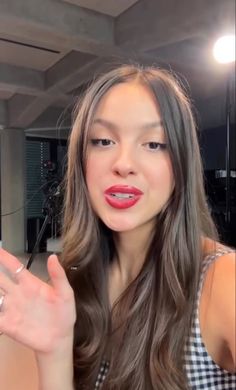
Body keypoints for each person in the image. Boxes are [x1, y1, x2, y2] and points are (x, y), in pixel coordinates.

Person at [0, 64, 235, 390]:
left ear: (181, 164)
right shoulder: (70, 288)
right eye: (103, 141)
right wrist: (53, 352)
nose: (123, 164)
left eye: (154, 144)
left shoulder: (224, 282)